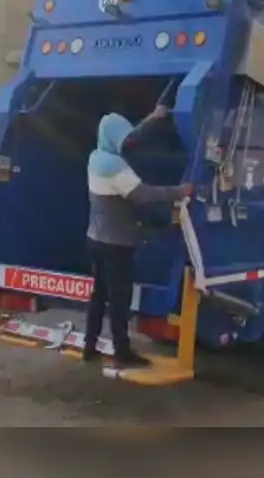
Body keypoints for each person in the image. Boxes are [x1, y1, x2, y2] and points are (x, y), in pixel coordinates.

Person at [83, 105, 192, 367]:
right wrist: (179, 191)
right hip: (116, 244)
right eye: (123, 138)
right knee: (119, 299)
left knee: (99, 295)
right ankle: (122, 353)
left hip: (96, 239)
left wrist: (152, 118)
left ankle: (90, 346)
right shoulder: (114, 166)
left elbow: (129, 137)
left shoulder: (96, 156)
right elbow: (143, 195)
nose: (128, 142)